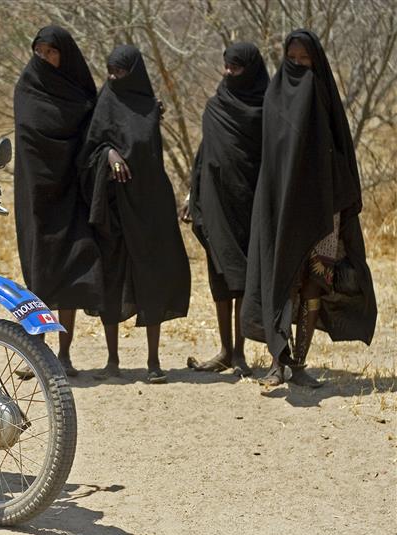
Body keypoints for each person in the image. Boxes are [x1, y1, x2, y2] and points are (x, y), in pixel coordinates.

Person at [241, 30, 377, 387]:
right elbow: (271, 159)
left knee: (315, 282)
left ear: (316, 60)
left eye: (306, 60)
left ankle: (299, 363)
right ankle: (277, 361)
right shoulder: (274, 97)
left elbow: (340, 150)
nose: (299, 65)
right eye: (293, 59)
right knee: (283, 281)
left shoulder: (324, 97)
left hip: (322, 210)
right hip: (282, 209)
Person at [79, 45, 190, 383]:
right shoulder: (104, 103)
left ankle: (154, 362)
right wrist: (109, 154)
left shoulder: (149, 108)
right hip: (112, 207)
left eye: (121, 72)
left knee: (151, 278)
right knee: (111, 280)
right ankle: (112, 361)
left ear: (135, 72)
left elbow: (150, 154)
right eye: (111, 72)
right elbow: (90, 149)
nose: (115, 78)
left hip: (149, 205)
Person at [13, 25, 104, 376]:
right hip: (37, 195)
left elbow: (96, 131)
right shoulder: (28, 86)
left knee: (72, 271)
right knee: (41, 270)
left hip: (72, 191)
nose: (46, 58)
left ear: (65, 53)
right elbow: (29, 135)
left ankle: (64, 354)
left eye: (52, 52)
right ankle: (37, 351)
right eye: (41, 51)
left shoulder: (80, 90)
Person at [184, 42, 269, 377]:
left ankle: (240, 353)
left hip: (250, 203)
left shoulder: (265, 107)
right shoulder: (216, 105)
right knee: (221, 277)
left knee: (244, 277)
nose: (228, 73)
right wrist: (193, 194)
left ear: (250, 70)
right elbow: (204, 154)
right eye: (226, 66)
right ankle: (224, 351)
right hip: (216, 201)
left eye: (235, 68)